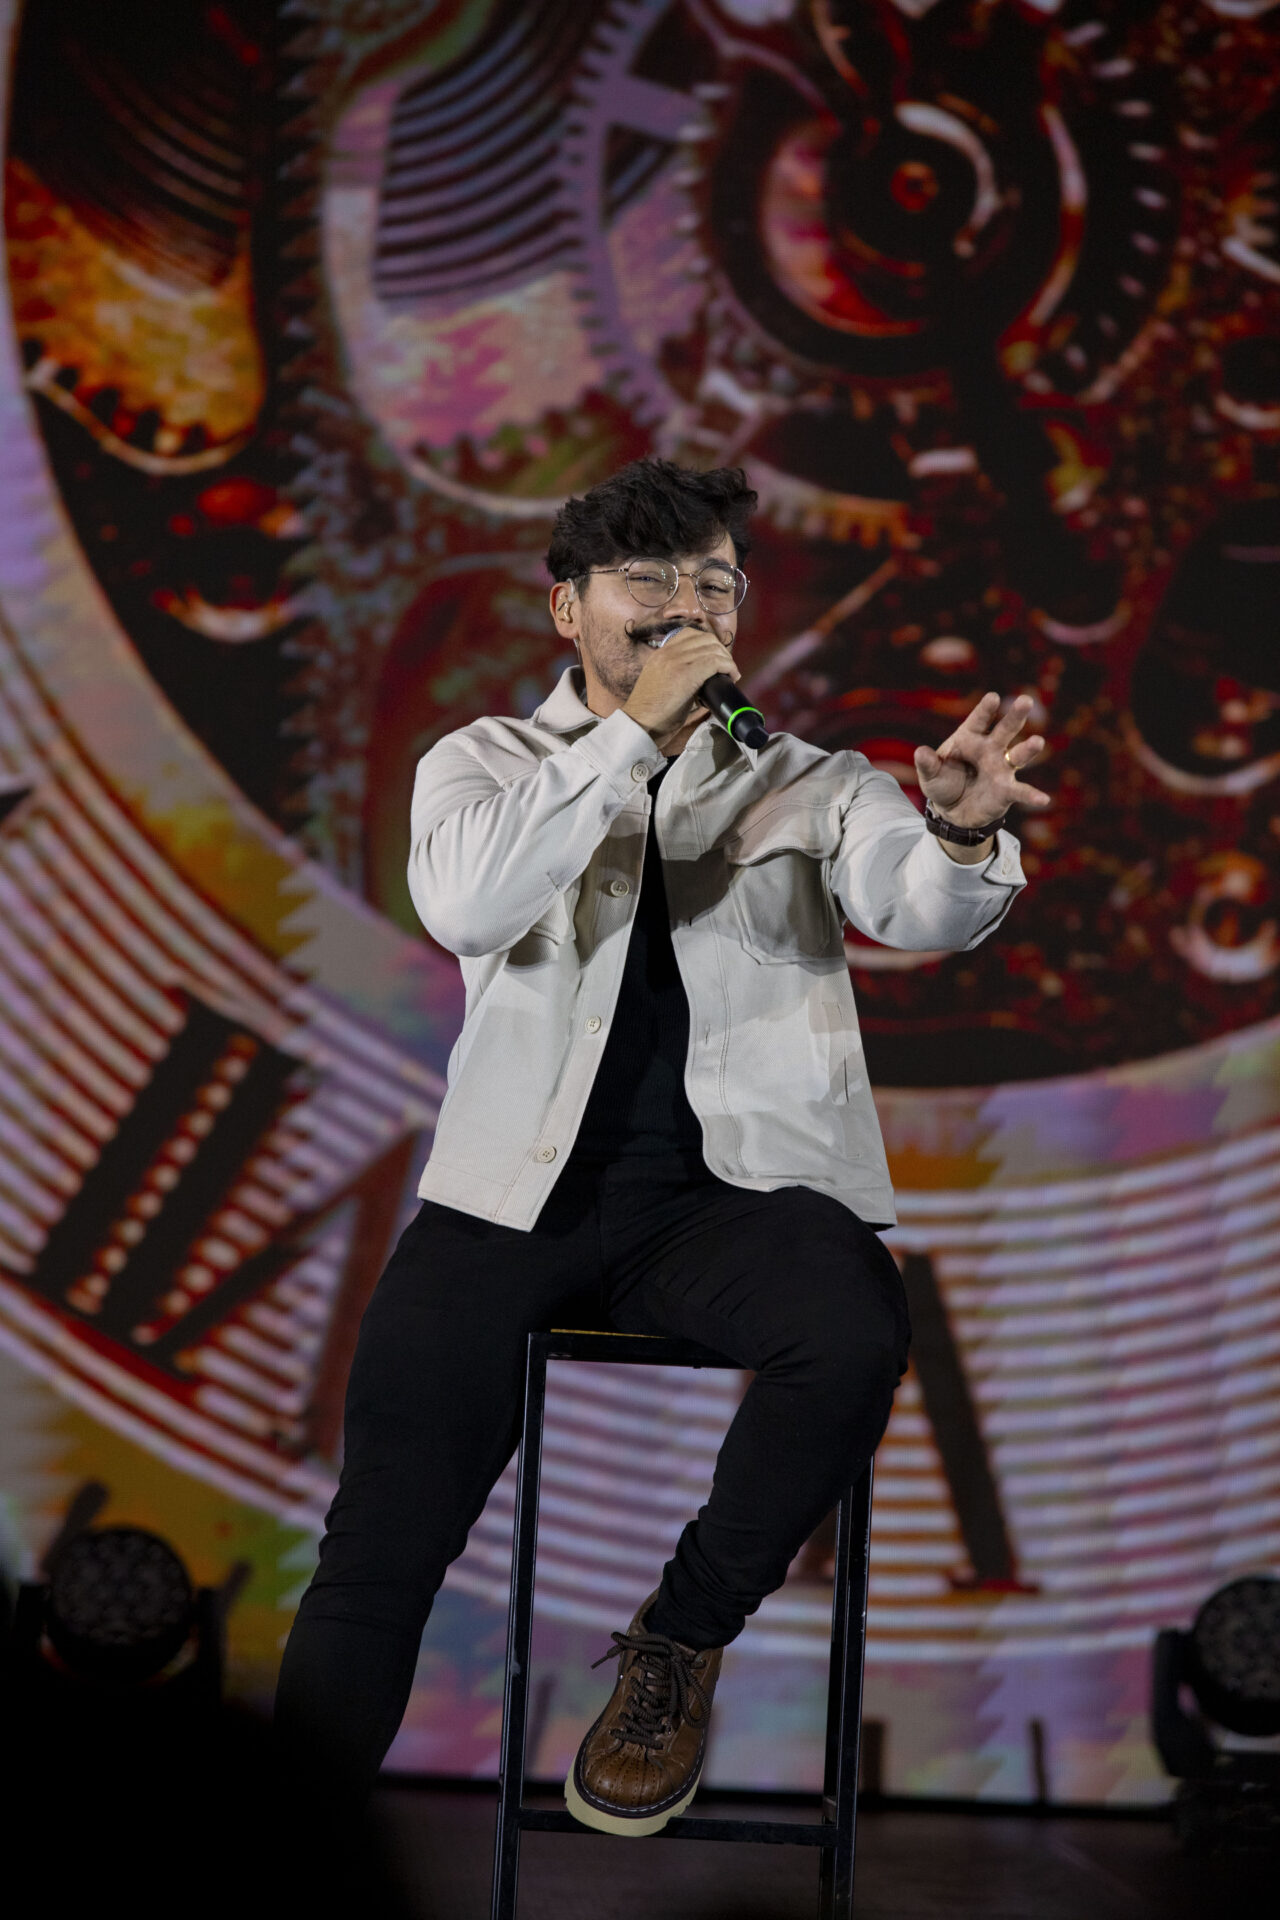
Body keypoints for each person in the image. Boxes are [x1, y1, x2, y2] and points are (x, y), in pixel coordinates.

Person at [275, 458, 1046, 1838]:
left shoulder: (811, 782)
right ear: (568, 608)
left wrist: (958, 830)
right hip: (513, 1199)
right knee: (381, 1540)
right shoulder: (486, 765)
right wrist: (629, 739)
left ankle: (678, 1641)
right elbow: (468, 904)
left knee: (854, 1327)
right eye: (652, 582)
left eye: (716, 586)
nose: (690, 607)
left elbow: (916, 904)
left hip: (723, 1206)